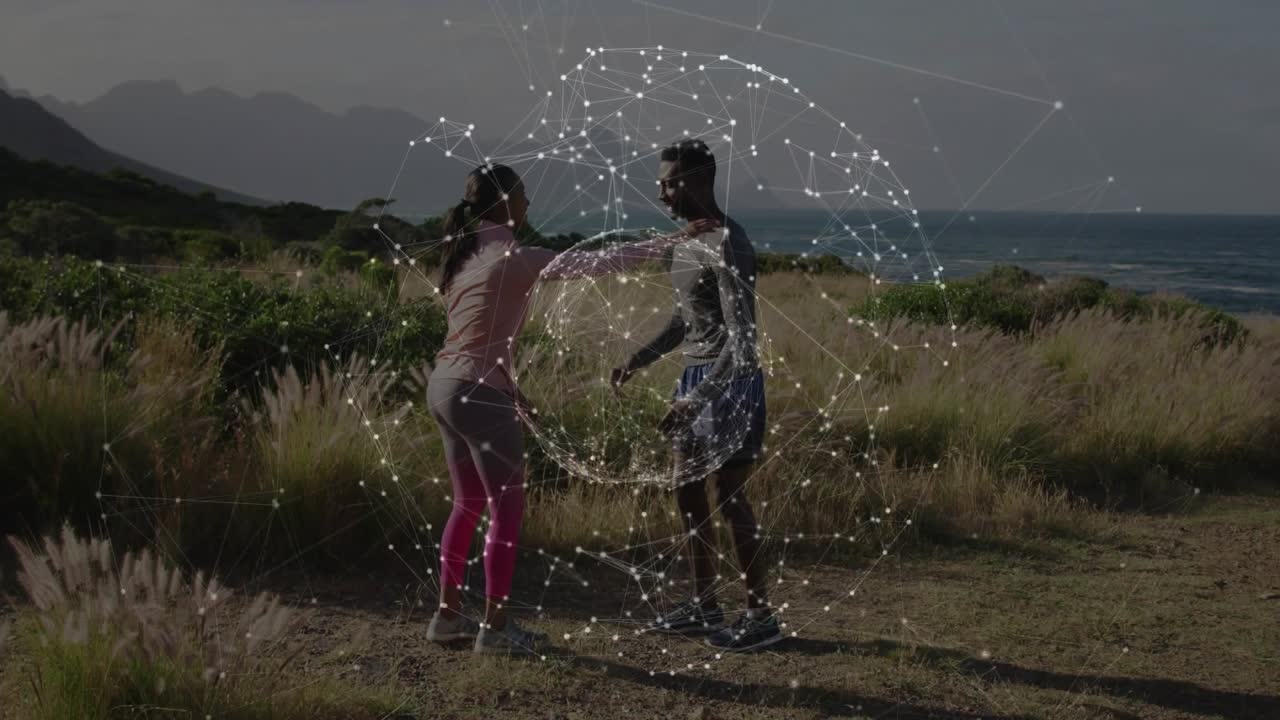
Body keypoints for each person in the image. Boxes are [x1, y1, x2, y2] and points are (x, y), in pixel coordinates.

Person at [424, 163, 717, 656]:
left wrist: (512, 393)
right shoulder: (513, 258)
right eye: (522, 195)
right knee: (505, 513)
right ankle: (494, 629)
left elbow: (474, 337)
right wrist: (672, 240)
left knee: (467, 505)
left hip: (445, 388)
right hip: (478, 394)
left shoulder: (464, 258)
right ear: (503, 203)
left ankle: (446, 618)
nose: (528, 203)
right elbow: (601, 262)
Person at [611, 138, 781, 652]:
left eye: (669, 183)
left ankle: (760, 617)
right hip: (694, 379)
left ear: (699, 180)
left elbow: (743, 340)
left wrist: (697, 398)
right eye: (660, 183)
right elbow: (685, 322)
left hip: (732, 384)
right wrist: (636, 361)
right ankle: (705, 605)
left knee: (730, 500)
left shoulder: (730, 241)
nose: (661, 193)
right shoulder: (685, 244)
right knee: (686, 496)